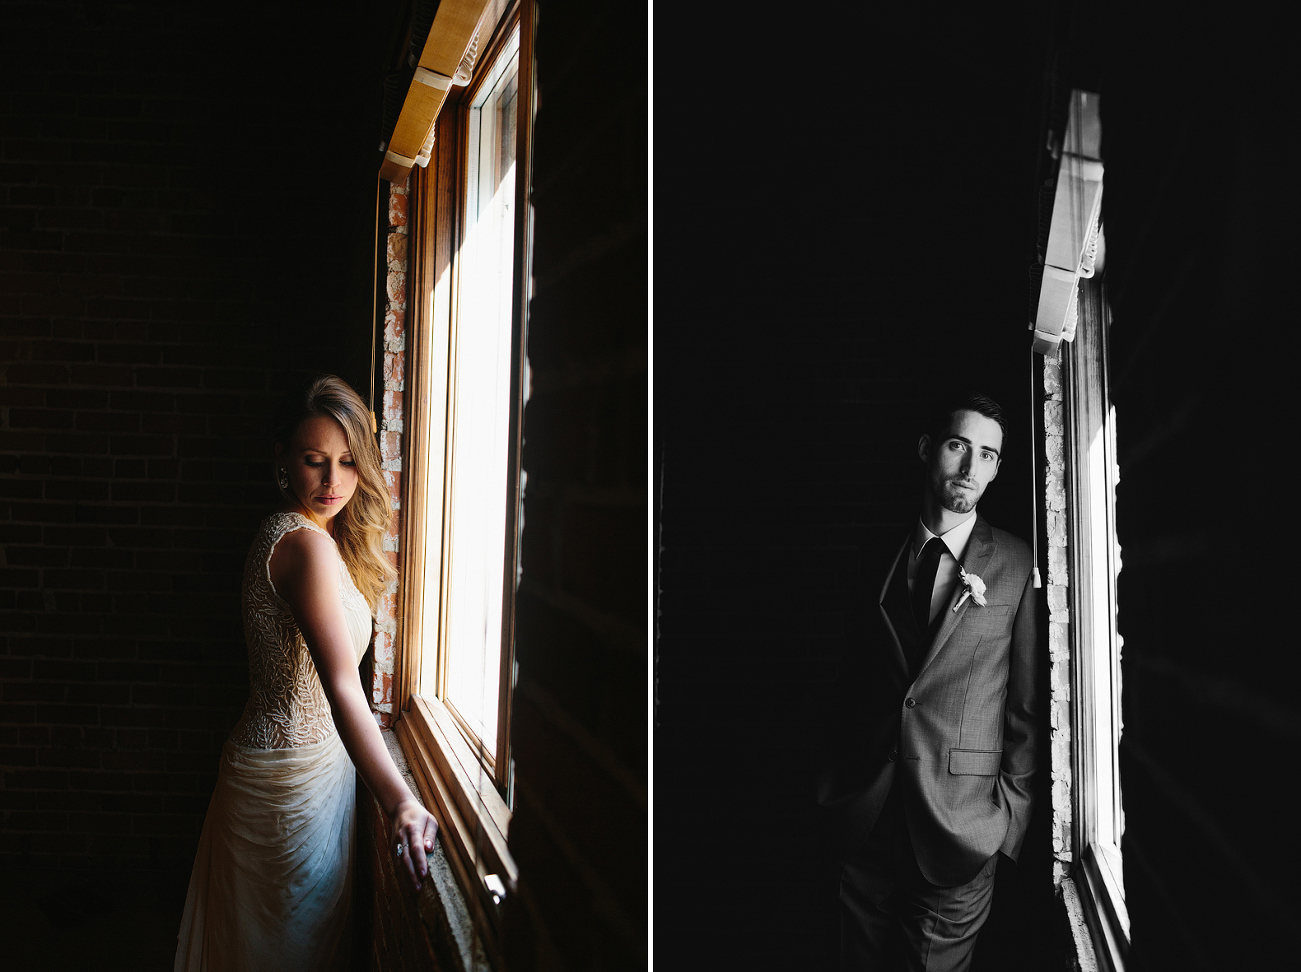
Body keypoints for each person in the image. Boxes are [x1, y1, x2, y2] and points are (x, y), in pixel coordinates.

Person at [175, 375, 439, 972]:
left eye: (348, 463)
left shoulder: (318, 539)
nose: (332, 481)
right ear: (283, 459)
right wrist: (400, 801)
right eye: (315, 461)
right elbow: (342, 683)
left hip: (317, 774)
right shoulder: (302, 544)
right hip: (282, 787)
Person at [820, 393, 1040, 971]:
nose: (970, 468)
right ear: (926, 449)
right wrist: (835, 784)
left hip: (961, 829)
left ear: (997, 468)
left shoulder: (1017, 566)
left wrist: (1007, 822)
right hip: (865, 818)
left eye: (988, 455)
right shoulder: (878, 554)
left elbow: (1024, 710)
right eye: (957, 446)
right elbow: (848, 683)